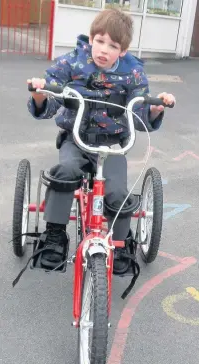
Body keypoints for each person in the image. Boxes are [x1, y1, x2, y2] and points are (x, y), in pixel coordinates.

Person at [27, 8, 175, 274]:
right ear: (91, 39)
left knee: (118, 192)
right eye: (99, 41)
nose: (104, 50)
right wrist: (40, 94)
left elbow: (140, 110)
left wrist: (155, 109)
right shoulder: (72, 62)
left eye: (113, 45)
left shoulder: (133, 73)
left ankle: (120, 243)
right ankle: (55, 236)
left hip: (112, 145)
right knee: (66, 171)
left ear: (123, 50)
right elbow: (50, 97)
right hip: (75, 139)